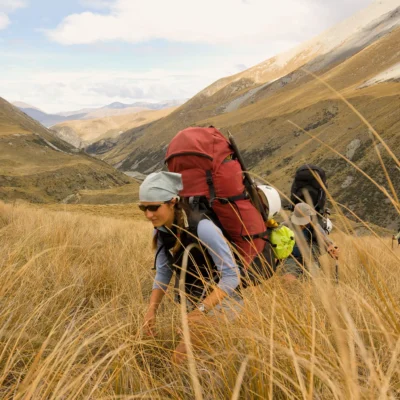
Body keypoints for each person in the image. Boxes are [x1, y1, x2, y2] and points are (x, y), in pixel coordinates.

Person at [139, 171, 242, 365]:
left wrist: (199, 311)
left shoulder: (203, 227)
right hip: (194, 302)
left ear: (172, 201)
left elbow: (231, 276)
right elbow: (164, 271)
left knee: (180, 360)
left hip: (223, 302)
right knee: (204, 362)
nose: (148, 214)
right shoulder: (162, 230)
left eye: (153, 207)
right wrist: (151, 311)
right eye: (142, 208)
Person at [281, 203, 340, 282]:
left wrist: (332, 249)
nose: (301, 225)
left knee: (315, 281)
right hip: (291, 258)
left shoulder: (314, 226)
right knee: (289, 280)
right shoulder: (285, 226)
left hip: (310, 258)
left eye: (303, 222)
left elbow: (326, 240)